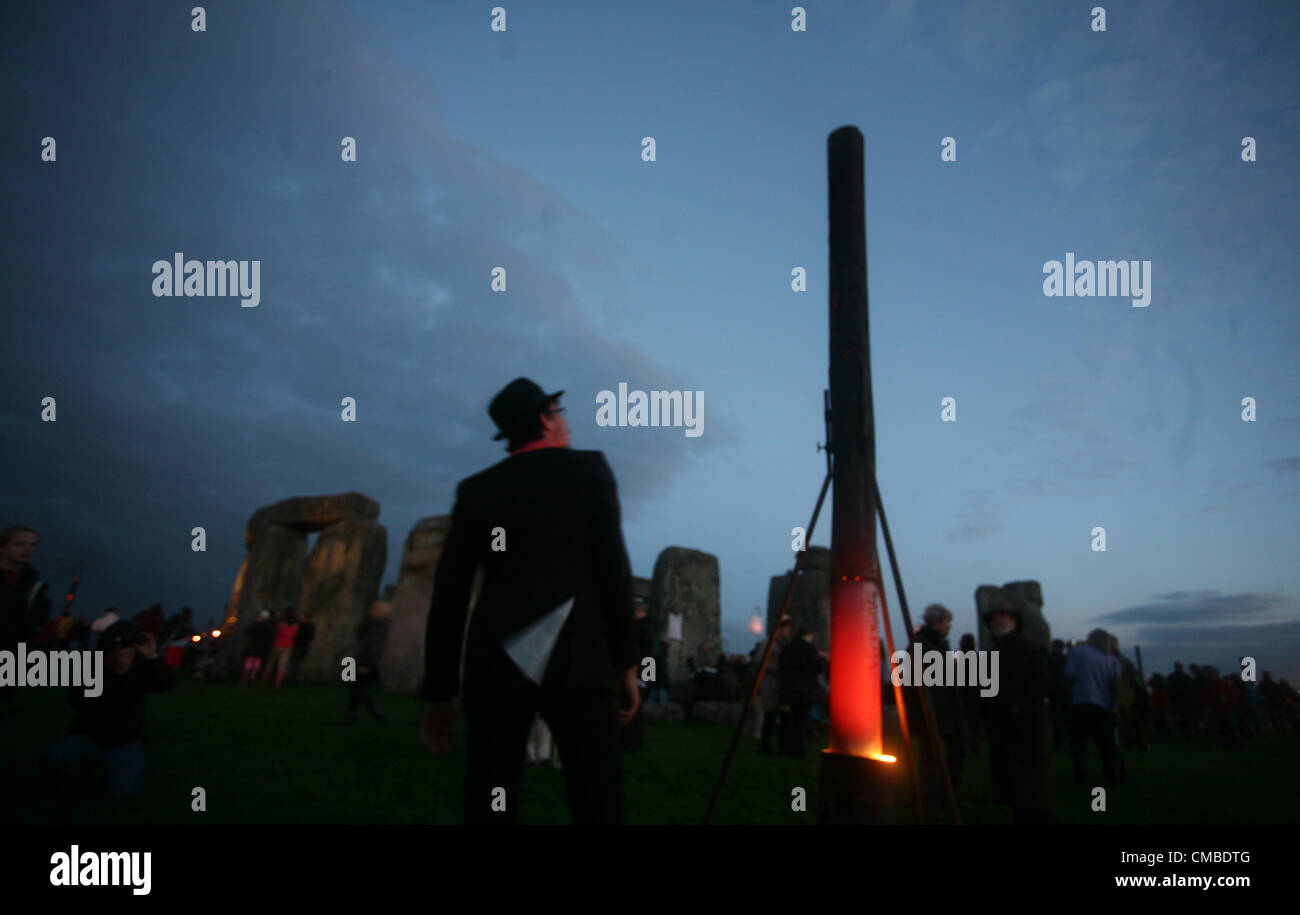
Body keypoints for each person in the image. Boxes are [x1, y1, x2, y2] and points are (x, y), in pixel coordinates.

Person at [420, 377, 639, 825]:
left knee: (491, 801)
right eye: (560, 413)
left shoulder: (476, 491)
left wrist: (439, 695)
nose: (567, 423)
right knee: (597, 800)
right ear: (545, 419)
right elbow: (614, 572)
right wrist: (626, 664)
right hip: (579, 662)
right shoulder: (590, 471)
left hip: (496, 666)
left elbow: (450, 596)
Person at [40, 620, 175, 800]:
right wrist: (115, 673)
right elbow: (78, 701)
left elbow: (165, 684)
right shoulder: (91, 667)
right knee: (53, 761)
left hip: (125, 742)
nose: (126, 651)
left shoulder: (141, 668)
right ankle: (83, 772)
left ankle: (102, 772)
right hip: (89, 735)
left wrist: (153, 658)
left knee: (123, 794)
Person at [980, 597, 1052, 824]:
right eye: (995, 616)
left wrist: (1019, 705)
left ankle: (1036, 816)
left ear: (1015, 621)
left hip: (1025, 724)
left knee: (1029, 776)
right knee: (1010, 778)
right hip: (1001, 725)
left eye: (1005, 615)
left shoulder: (1029, 648)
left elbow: (1043, 683)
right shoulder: (991, 651)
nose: (998, 619)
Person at [910, 603, 966, 818]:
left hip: (944, 711)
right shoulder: (923, 646)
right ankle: (931, 799)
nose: (949, 627)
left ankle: (943, 794)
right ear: (937, 622)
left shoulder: (935, 644)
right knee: (930, 756)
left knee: (948, 752)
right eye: (947, 623)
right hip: (935, 711)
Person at [1064, 629, 1121, 789]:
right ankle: (1112, 777)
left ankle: (1081, 777)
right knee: (1107, 745)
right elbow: (1116, 685)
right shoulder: (1112, 660)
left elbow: (1069, 673)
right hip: (1105, 706)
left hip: (1082, 702)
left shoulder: (1080, 651)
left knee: (1079, 745)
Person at [778, 627, 824, 758]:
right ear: (808, 635)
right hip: (805, 690)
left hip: (789, 688)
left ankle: (786, 748)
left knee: (791, 719)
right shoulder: (809, 649)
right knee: (801, 721)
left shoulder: (788, 648)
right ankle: (797, 749)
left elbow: (782, 665)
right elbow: (817, 668)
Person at [346, 601, 391, 722]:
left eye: (376, 609)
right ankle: (356, 712)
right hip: (360, 658)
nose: (372, 611)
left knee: (357, 688)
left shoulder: (381, 626)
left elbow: (376, 647)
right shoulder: (371, 623)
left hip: (367, 662)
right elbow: (359, 633)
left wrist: (368, 665)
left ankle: (371, 710)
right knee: (354, 688)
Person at [622, 598, 656, 752]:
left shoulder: (640, 629)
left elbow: (639, 653)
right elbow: (650, 656)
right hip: (645, 669)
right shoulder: (651, 628)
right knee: (637, 705)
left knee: (631, 705)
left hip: (638, 670)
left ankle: (630, 740)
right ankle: (633, 740)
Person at [264, 608, 300, 688]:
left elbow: (275, 632)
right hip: (288, 646)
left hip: (278, 644)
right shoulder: (296, 625)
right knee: (282, 665)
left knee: (270, 662)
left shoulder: (281, 623)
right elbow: (296, 636)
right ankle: (277, 683)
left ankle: (264, 680)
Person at [241, 610, 275, 685]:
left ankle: (245, 678)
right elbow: (271, 638)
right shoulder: (268, 626)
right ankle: (252, 678)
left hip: (253, 646)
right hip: (262, 647)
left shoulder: (256, 624)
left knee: (250, 661)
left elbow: (246, 631)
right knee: (257, 663)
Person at [289, 611, 316, 683]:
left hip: (299, 646)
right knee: (298, 663)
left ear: (304, 617)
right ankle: (295, 678)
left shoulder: (301, 625)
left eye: (302, 616)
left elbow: (296, 634)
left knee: (295, 663)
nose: (301, 617)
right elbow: (312, 637)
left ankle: (293, 679)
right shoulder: (311, 626)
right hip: (305, 646)